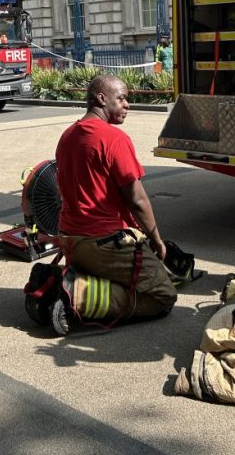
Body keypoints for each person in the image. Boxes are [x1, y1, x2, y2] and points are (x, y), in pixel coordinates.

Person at [53, 74, 177, 329]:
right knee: (164, 295)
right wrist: (156, 240)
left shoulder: (68, 136)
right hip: (102, 244)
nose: (127, 105)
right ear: (101, 98)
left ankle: (77, 282)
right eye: (121, 98)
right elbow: (137, 199)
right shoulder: (114, 139)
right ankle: (77, 297)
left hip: (70, 240)